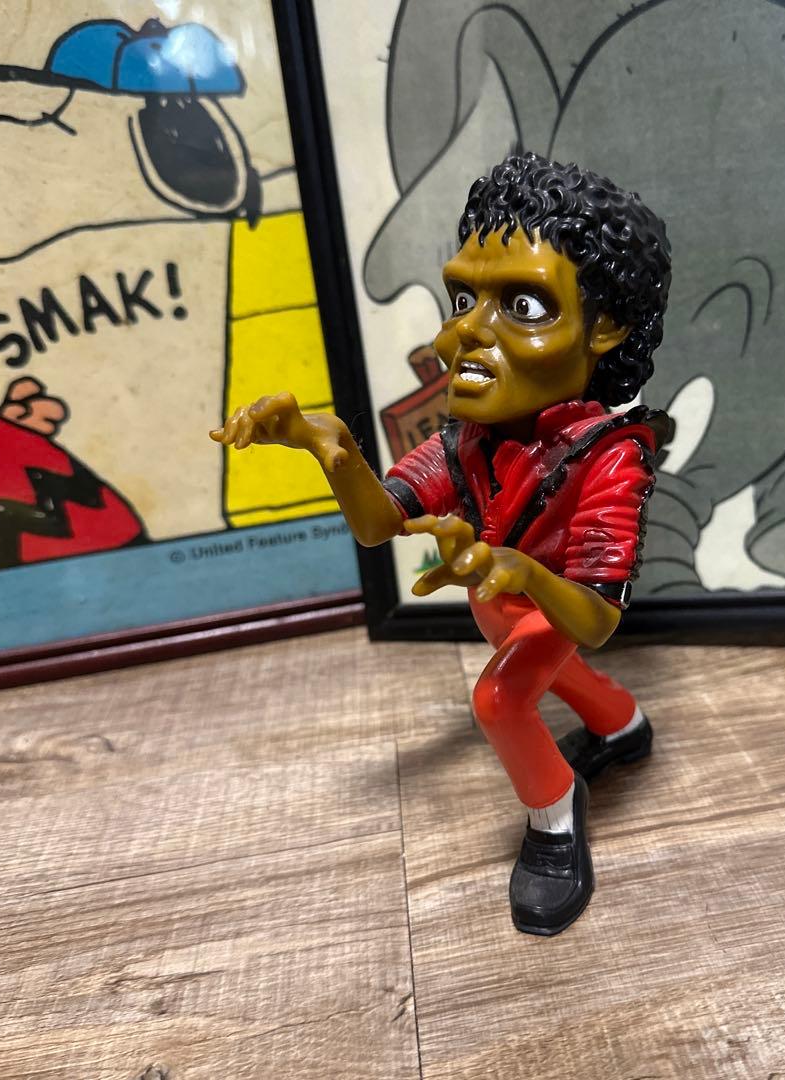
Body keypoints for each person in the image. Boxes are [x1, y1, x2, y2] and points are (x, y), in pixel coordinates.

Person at [212, 151, 672, 935]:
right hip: (505, 609)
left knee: (501, 699)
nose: (462, 333)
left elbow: (597, 619)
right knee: (551, 669)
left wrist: (522, 568)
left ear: (605, 329)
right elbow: (378, 524)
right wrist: (333, 449)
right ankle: (622, 727)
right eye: (462, 297)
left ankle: (556, 816)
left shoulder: (609, 456)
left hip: (552, 607)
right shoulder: (468, 440)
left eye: (522, 305)